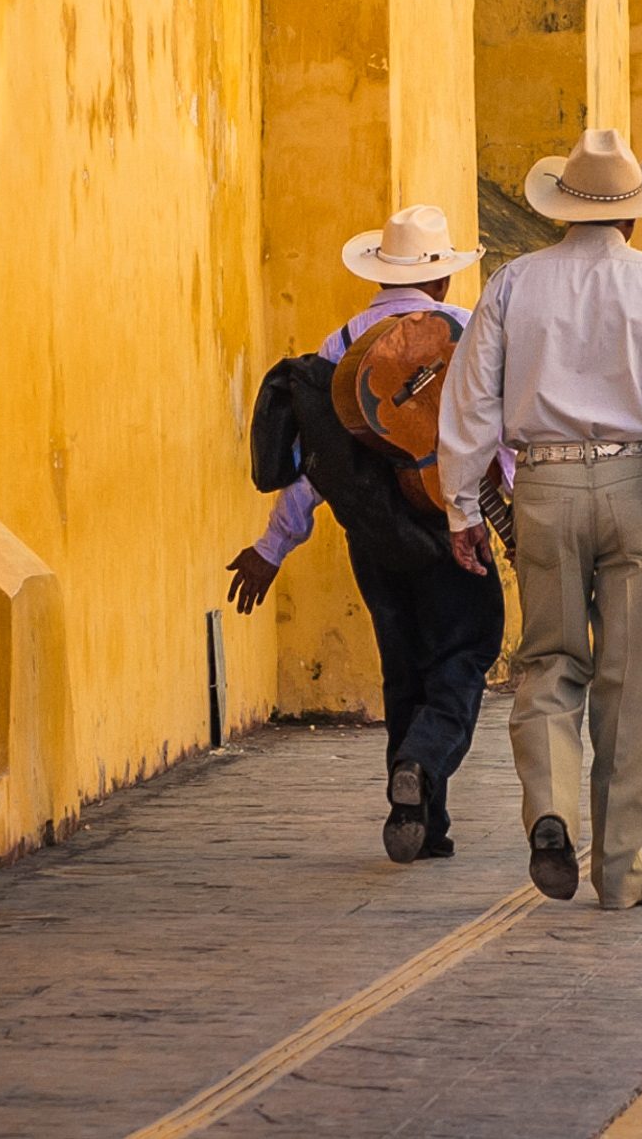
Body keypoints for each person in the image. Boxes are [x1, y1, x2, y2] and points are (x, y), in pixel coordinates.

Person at [439, 129, 642, 912]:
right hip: (640, 484)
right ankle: (619, 872)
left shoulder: (514, 283)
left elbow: (469, 404)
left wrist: (460, 506)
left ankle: (550, 808)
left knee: (548, 661)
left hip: (545, 485)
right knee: (632, 679)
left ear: (562, 211)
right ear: (633, 217)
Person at [224, 203, 503, 867]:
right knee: (466, 651)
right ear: (439, 280)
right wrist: (510, 517)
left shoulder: (337, 346)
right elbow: (500, 436)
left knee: (403, 668)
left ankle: (419, 817)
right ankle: (423, 759)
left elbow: (318, 468)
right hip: (449, 521)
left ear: (382, 273)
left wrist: (271, 548)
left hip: (372, 538)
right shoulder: (463, 332)